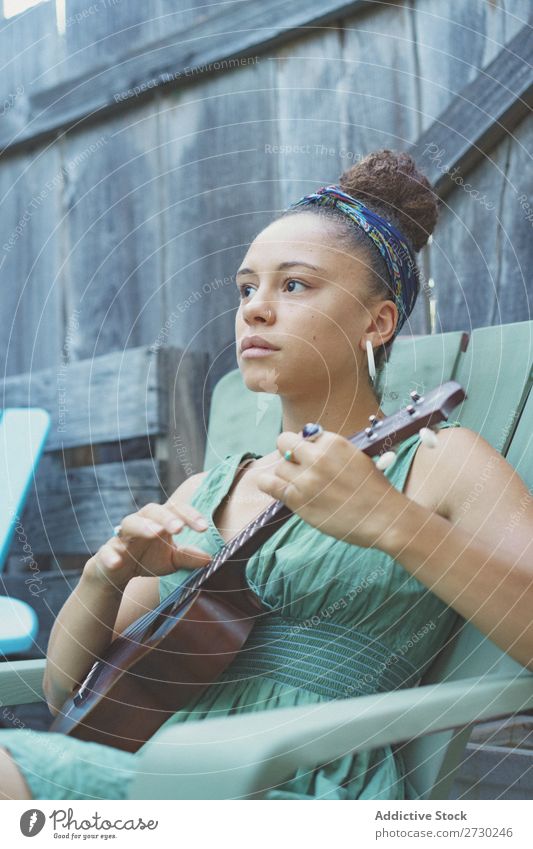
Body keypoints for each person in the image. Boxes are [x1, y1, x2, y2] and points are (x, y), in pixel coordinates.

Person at [1, 149, 532, 800]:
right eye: (246, 287)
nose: (254, 308)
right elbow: (64, 693)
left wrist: (392, 521)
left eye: (295, 284)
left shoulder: (437, 461)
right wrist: (104, 575)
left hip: (297, 785)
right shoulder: (206, 492)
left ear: (378, 320)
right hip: (159, 771)